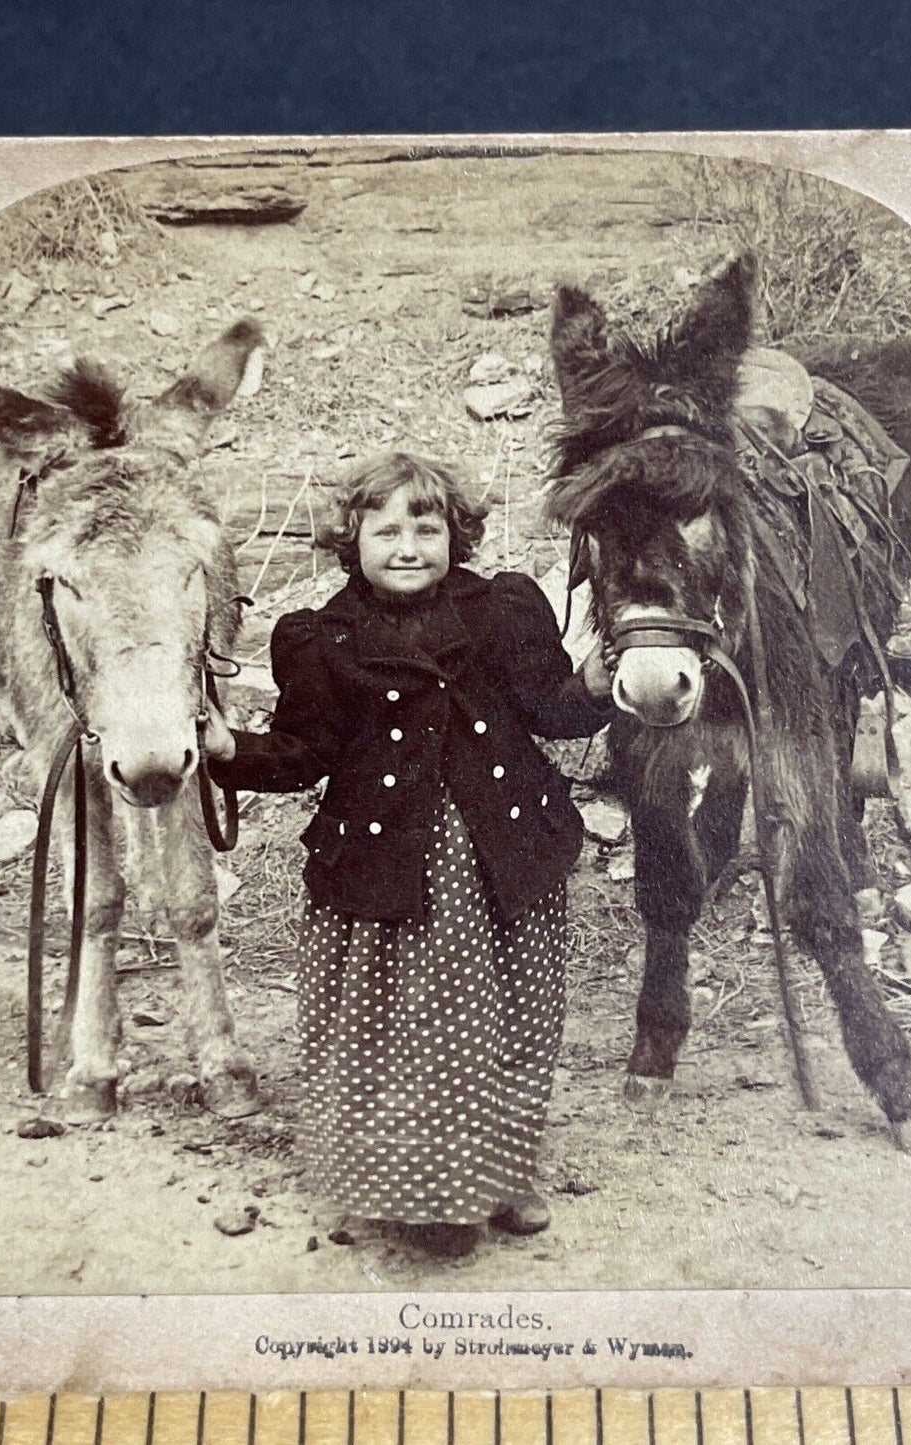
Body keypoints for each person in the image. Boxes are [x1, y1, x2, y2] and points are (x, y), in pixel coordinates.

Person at [208, 451, 614, 1258]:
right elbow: (301, 752)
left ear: (454, 534)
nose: (407, 546)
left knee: (509, 1024)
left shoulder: (502, 609)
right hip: (386, 868)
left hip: (503, 858)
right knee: (406, 1031)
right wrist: (226, 748)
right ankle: (423, 1193)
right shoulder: (321, 637)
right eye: (384, 528)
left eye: (426, 527)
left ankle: (500, 1175)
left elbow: (551, 711)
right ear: (348, 538)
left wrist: (597, 685)